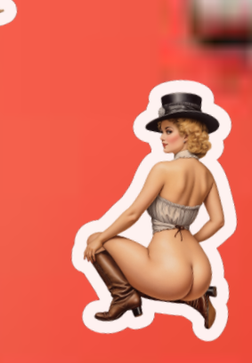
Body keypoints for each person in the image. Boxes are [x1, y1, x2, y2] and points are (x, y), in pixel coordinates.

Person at [84, 92, 227, 329]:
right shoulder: (206, 174)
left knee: (94, 240)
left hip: (170, 275)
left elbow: (133, 214)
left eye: (168, 131)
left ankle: (124, 297)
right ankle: (197, 300)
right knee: (142, 271)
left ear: (188, 134)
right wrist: (190, 241)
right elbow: (218, 221)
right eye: (162, 131)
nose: (161, 138)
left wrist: (100, 239)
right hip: (202, 274)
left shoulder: (163, 169)